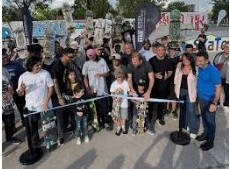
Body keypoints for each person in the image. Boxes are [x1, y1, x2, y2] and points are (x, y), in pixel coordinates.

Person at [17, 56, 54, 145]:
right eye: (37, 65)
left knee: (48, 125)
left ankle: (50, 142)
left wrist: (46, 102)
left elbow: (51, 88)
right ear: (30, 66)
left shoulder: (45, 74)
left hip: (45, 105)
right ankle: (35, 143)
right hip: (31, 107)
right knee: (32, 127)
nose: (39, 67)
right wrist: (21, 90)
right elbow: (20, 94)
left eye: (40, 65)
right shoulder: (23, 77)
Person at [195, 51, 222, 151]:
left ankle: (210, 141)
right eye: (197, 60)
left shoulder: (213, 71)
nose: (198, 62)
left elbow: (218, 88)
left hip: (210, 100)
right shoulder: (201, 68)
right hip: (202, 98)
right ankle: (205, 134)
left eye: (201, 61)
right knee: (205, 119)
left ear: (207, 60)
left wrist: (215, 103)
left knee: (210, 121)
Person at [50, 47, 75, 145]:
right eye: (69, 57)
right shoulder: (56, 65)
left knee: (67, 113)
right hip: (57, 95)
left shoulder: (67, 64)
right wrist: (60, 97)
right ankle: (60, 136)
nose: (71, 58)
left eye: (72, 57)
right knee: (60, 115)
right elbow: (55, 82)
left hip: (67, 92)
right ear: (64, 55)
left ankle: (67, 128)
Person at [82, 48, 111, 130]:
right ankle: (97, 124)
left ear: (95, 54)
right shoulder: (86, 64)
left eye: (93, 56)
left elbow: (108, 73)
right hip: (92, 90)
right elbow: (85, 77)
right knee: (95, 108)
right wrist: (87, 88)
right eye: (90, 56)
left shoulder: (102, 61)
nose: (91, 57)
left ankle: (106, 123)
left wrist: (101, 75)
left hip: (103, 89)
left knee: (104, 108)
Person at [127, 52, 155, 135]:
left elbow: (152, 78)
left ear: (140, 60)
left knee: (145, 109)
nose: (133, 63)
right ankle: (134, 128)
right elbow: (129, 78)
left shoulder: (147, 64)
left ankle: (148, 127)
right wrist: (132, 91)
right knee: (136, 109)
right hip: (135, 88)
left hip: (145, 88)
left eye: (135, 62)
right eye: (132, 62)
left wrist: (148, 91)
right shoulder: (130, 65)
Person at [174, 53, 198, 138]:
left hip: (190, 92)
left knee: (191, 111)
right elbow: (176, 79)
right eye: (183, 59)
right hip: (181, 91)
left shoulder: (195, 68)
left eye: (187, 59)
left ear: (190, 59)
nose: (185, 61)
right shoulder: (179, 66)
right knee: (182, 110)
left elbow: (198, 81)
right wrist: (175, 90)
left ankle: (193, 130)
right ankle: (184, 126)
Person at [149, 44, 173, 125]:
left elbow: (170, 71)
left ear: (165, 51)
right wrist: (155, 75)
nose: (161, 52)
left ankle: (160, 117)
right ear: (156, 50)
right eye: (159, 50)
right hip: (153, 86)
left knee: (161, 103)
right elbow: (148, 72)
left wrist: (167, 75)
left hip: (163, 86)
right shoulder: (151, 60)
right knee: (151, 102)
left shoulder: (168, 60)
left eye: (162, 50)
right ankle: (149, 117)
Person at [3, 48, 26, 126]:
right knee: (8, 116)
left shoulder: (15, 64)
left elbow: (25, 75)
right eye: (3, 58)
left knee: (22, 108)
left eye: (6, 57)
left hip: (17, 92)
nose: (6, 59)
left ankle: (25, 122)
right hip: (5, 97)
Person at [2, 71, 21, 144]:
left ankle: (10, 138)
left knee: (9, 122)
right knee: (8, 122)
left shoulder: (4, 78)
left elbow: (11, 91)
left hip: (7, 104)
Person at [110, 69, 130, 136]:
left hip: (124, 103)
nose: (120, 77)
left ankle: (123, 126)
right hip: (116, 104)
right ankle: (118, 127)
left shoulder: (126, 83)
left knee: (124, 116)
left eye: (121, 76)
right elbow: (112, 93)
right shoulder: (113, 84)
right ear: (115, 76)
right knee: (117, 117)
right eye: (118, 76)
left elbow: (128, 92)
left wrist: (132, 95)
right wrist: (115, 99)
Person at [213, 42, 229, 110]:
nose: (227, 49)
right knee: (217, 90)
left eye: (229, 47)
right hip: (218, 76)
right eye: (226, 47)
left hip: (228, 78)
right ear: (223, 47)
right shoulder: (219, 55)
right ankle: (217, 103)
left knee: (227, 91)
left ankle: (227, 104)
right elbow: (214, 63)